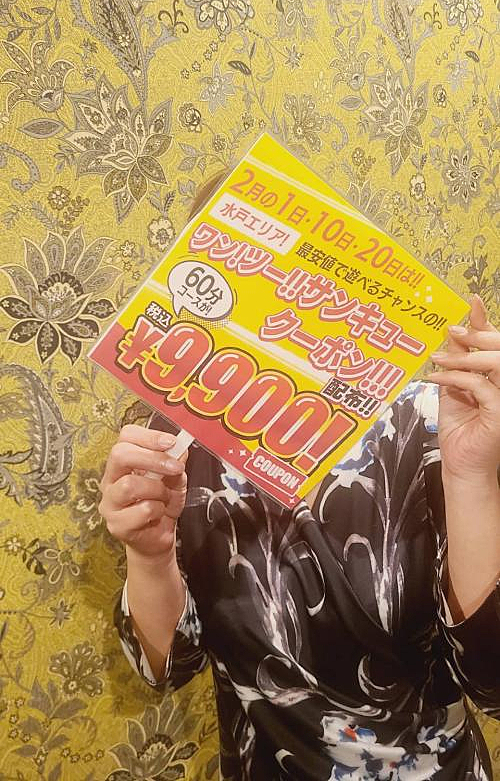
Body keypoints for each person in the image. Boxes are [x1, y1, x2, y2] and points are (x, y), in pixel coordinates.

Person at [99, 293, 500, 780]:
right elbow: (168, 668)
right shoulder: (184, 439)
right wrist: (150, 555)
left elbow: (494, 687)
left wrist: (471, 479)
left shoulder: (437, 422)